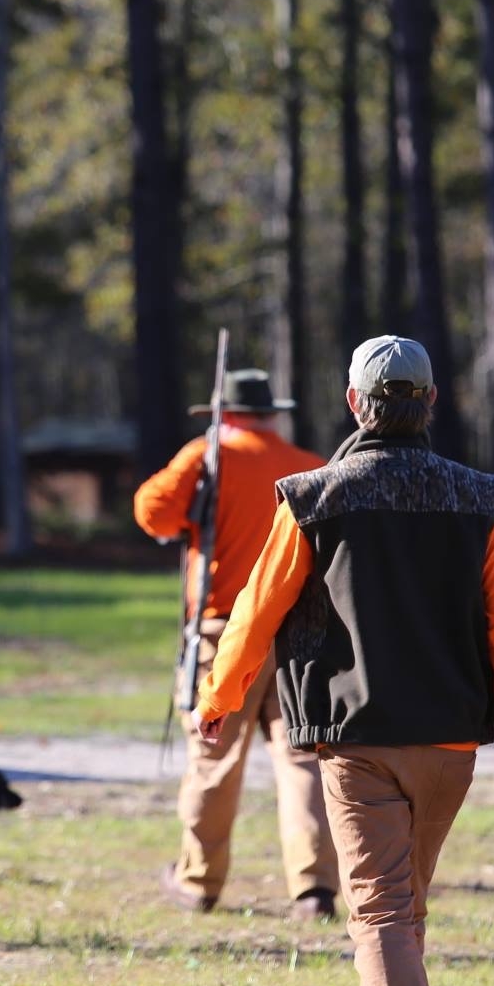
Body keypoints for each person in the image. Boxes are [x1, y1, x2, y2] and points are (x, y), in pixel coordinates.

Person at [191, 337, 494, 986]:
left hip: (355, 741)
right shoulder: (478, 499)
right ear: (428, 403)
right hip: (451, 747)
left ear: (355, 405)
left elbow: (258, 609)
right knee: (396, 913)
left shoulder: (314, 497)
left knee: (383, 913)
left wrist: (219, 696)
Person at [134, 368, 342, 922]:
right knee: (302, 759)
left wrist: (199, 473)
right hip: (300, 633)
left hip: (223, 631)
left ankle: (198, 882)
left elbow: (151, 514)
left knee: (213, 759)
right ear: (271, 413)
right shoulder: (309, 463)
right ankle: (314, 888)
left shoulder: (206, 456)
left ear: (222, 413)